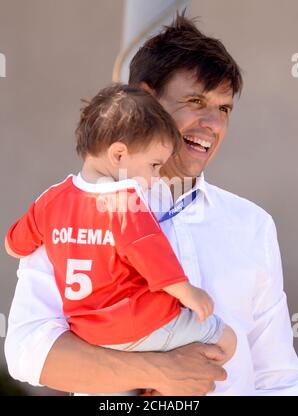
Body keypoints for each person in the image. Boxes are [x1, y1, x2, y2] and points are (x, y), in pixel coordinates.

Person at [5, 14, 298, 396]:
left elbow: (278, 378)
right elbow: (27, 351)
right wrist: (160, 372)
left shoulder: (253, 226)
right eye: (196, 101)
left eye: (223, 109)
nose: (212, 123)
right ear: (146, 99)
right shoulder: (71, 208)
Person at [5, 84, 236, 395]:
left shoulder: (51, 200)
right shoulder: (125, 202)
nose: (155, 177)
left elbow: (14, 244)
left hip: (91, 337)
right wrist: (189, 293)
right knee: (226, 341)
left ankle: (149, 383)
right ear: (118, 154)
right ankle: (164, 385)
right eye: (153, 165)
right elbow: (153, 258)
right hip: (142, 324)